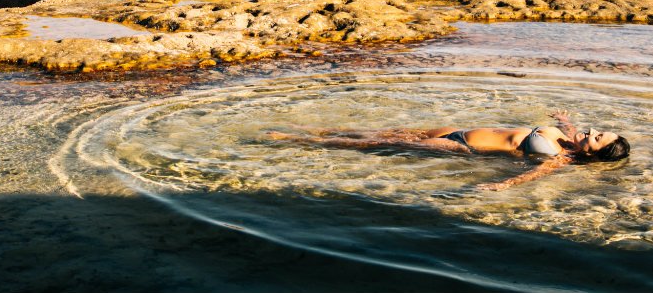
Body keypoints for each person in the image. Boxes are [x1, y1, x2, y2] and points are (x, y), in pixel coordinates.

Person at [267, 110, 629, 191]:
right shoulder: (568, 136)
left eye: (597, 138)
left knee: (376, 143)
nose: (593, 131)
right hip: (455, 128)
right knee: (376, 131)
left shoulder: (561, 158)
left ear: (593, 155)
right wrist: (565, 120)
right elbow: (569, 129)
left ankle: (299, 141)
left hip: (460, 145)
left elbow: (531, 174)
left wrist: (498, 187)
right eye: (599, 130)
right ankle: (313, 129)